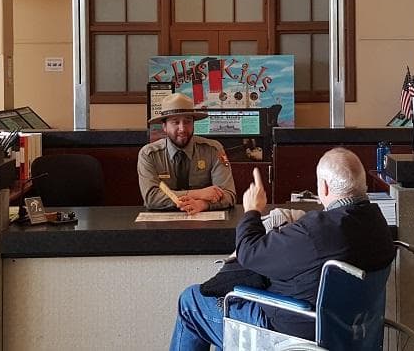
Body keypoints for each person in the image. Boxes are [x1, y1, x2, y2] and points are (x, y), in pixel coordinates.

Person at [169, 148, 396, 350]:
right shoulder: (377, 223)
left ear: (324, 187)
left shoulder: (316, 231)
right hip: (352, 334)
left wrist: (252, 211)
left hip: (292, 334)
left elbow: (249, 252)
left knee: (191, 300)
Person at [138, 93, 236, 214]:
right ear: (164, 126)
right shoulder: (149, 154)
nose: (182, 128)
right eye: (175, 122)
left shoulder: (213, 149)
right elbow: (151, 198)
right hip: (160, 226)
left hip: (204, 223)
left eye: (187, 121)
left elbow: (229, 194)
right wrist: (199, 193)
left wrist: (203, 204)